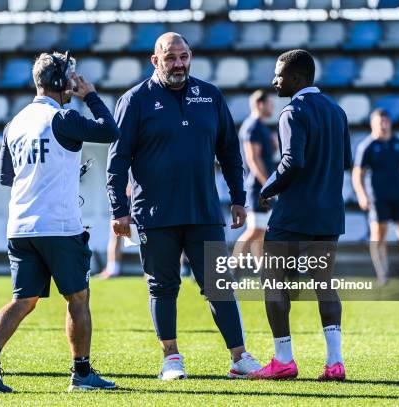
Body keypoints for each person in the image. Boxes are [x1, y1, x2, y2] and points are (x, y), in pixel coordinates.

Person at [107, 32, 262, 380]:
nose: (178, 64)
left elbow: (229, 151)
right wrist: (119, 208)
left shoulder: (210, 95)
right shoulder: (134, 101)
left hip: (204, 211)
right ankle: (171, 358)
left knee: (219, 283)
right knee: (162, 286)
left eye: (184, 56)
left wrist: (238, 197)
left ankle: (239, 358)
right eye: (170, 57)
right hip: (155, 214)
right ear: (155, 60)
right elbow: (117, 160)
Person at [0, 52, 119, 393]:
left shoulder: (14, 122)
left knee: (23, 299)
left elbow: (8, 176)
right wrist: (90, 95)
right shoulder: (63, 117)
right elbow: (111, 131)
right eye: (71, 78)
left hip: (20, 226)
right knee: (78, 298)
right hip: (59, 225)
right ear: (63, 83)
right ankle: (81, 375)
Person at [255, 49, 352, 381]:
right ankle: (334, 362)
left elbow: (292, 162)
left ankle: (284, 360)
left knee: (275, 284)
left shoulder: (292, 112)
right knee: (325, 287)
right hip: (329, 216)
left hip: (294, 217)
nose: (274, 80)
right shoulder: (337, 112)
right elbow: (345, 162)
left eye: (279, 75)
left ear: (296, 79)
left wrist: (266, 188)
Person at [352, 109, 399, 286]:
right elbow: (357, 173)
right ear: (372, 124)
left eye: (385, 120)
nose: (383, 124)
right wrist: (362, 195)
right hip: (378, 197)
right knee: (378, 236)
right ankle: (382, 275)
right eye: (379, 121)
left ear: (390, 122)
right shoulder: (367, 146)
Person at [232, 90, 276, 261]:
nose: (273, 107)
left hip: (263, 186)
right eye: (270, 103)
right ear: (260, 104)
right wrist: (268, 186)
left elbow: (265, 155)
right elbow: (253, 159)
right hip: (258, 187)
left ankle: (262, 270)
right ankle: (230, 267)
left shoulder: (262, 127)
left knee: (262, 230)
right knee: (255, 230)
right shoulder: (252, 127)